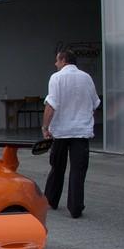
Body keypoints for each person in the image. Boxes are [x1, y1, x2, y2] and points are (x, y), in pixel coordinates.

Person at [41, 49, 100, 219]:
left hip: (60, 132)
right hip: (81, 131)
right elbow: (95, 103)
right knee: (78, 170)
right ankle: (75, 208)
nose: (55, 64)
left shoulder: (56, 78)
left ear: (64, 60)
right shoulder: (86, 78)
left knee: (57, 167)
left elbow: (51, 105)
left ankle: (51, 200)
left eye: (57, 60)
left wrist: (45, 127)